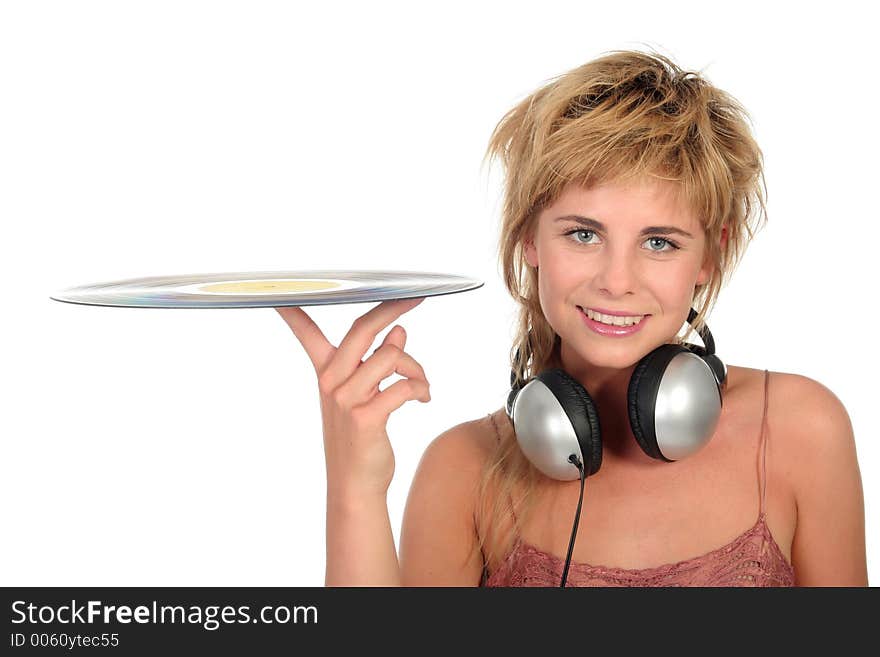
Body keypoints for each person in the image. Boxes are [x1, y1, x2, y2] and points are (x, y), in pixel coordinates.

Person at [275, 49, 867, 586]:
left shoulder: (797, 431)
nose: (616, 280)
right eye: (584, 234)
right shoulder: (463, 472)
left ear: (709, 255)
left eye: (659, 242)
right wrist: (355, 489)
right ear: (530, 240)